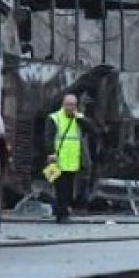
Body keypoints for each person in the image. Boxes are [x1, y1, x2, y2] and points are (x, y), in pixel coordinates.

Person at [45, 93, 94, 223]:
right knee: (60, 188)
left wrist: (79, 118)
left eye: (73, 105)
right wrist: (51, 152)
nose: (70, 108)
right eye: (68, 105)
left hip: (72, 161)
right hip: (57, 161)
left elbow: (92, 128)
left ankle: (61, 212)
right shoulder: (55, 118)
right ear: (63, 104)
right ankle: (62, 215)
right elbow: (49, 137)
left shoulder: (78, 119)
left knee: (68, 189)